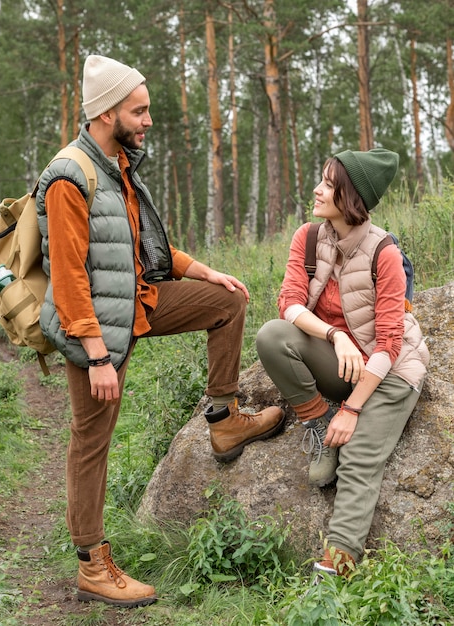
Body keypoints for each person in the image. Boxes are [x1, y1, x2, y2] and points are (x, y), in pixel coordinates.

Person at [35, 54, 285, 607]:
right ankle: (91, 565)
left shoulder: (116, 162)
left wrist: (200, 270)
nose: (148, 121)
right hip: (95, 328)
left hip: (138, 302)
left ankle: (223, 420)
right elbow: (70, 275)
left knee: (227, 301)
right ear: (105, 112)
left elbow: (135, 244)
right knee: (91, 442)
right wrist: (97, 356)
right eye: (139, 111)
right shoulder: (69, 175)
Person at [256, 148, 429, 576]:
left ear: (350, 196)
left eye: (329, 184)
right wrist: (335, 336)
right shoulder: (310, 237)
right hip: (343, 359)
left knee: (358, 459)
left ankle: (340, 561)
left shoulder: (384, 253)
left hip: (390, 373)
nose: (317, 189)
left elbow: (388, 344)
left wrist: (352, 410)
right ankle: (316, 422)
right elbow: (288, 304)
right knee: (272, 337)